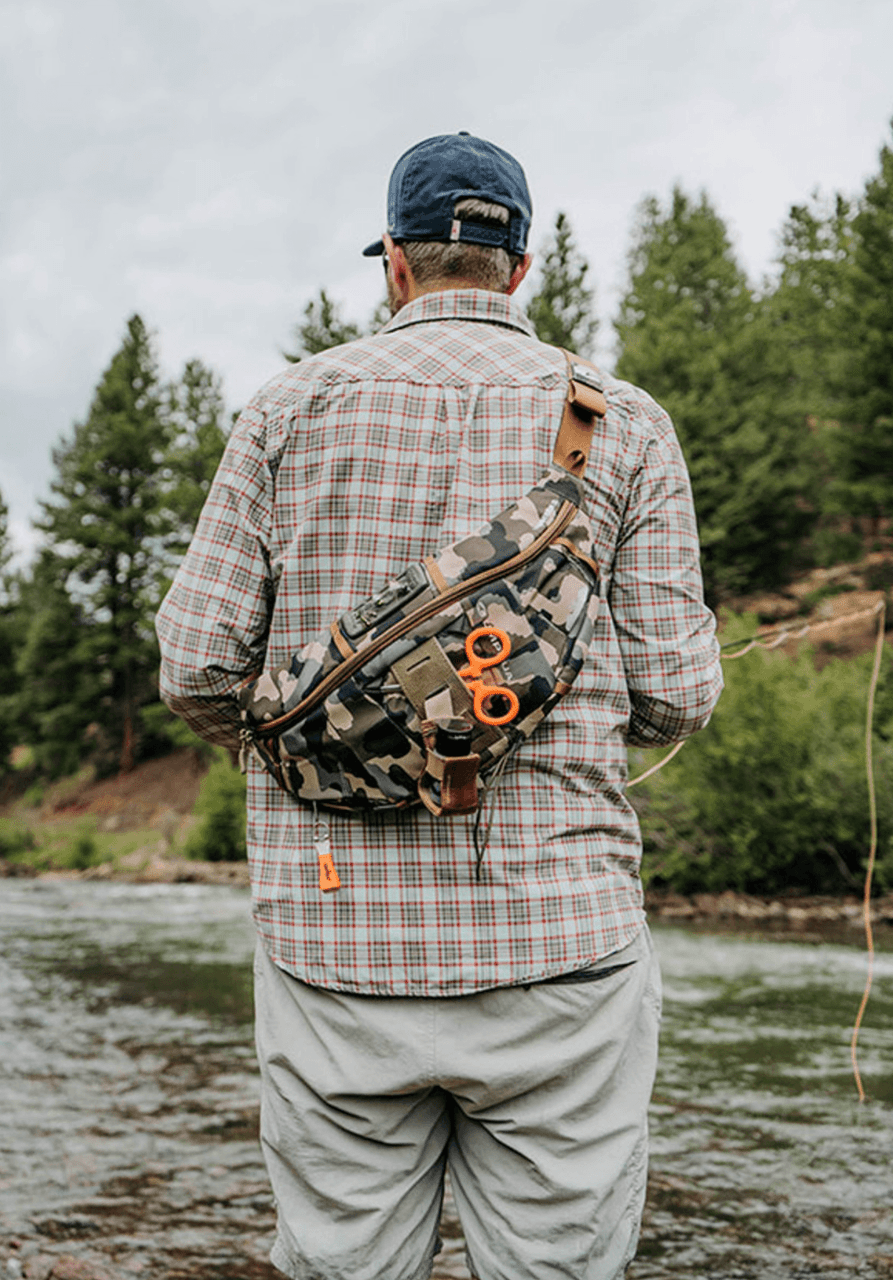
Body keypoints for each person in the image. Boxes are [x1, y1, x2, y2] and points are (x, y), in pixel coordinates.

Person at [156, 131, 723, 1280]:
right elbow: (673, 691)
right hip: (560, 946)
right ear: (519, 266)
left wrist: (322, 755)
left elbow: (195, 666)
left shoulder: (285, 408)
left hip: (332, 942)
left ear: (395, 266)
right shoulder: (621, 422)